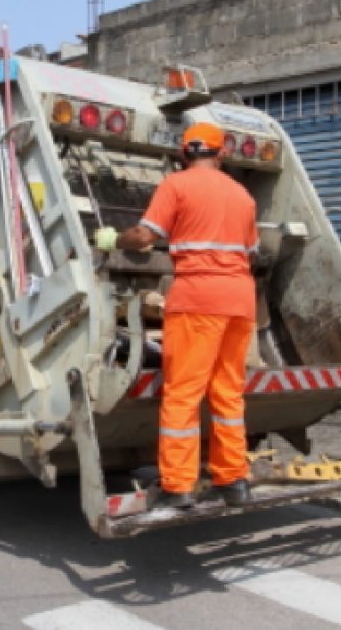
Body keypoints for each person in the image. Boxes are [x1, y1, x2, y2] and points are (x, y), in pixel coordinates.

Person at [93, 122, 258, 510]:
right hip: (239, 300)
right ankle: (233, 480)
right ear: (221, 153)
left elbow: (145, 237)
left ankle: (178, 486)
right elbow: (251, 251)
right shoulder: (244, 195)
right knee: (228, 394)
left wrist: (113, 239)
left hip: (197, 299)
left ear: (185, 153)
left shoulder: (177, 185)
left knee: (183, 393)